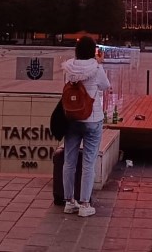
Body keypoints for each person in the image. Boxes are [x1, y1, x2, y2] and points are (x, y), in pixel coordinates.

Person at [61, 37, 112, 217]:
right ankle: (84, 203)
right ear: (93, 51)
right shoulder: (96, 68)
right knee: (88, 163)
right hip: (92, 118)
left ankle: (68, 202)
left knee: (69, 161)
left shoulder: (69, 68)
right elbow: (106, 86)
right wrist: (99, 63)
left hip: (72, 118)